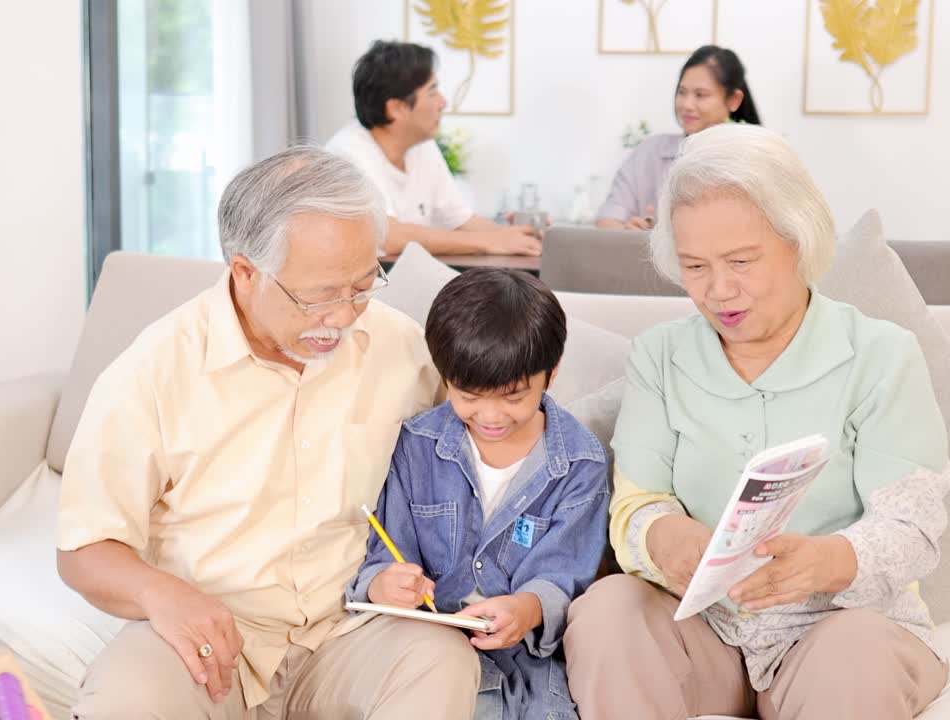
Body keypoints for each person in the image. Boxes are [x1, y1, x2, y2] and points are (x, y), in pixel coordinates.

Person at [56, 146, 481, 719]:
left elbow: (486, 449)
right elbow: (85, 548)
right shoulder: (153, 370)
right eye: (320, 295)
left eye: (362, 285)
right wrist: (163, 595)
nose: (344, 314)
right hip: (215, 636)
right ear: (245, 273)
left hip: (352, 627)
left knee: (441, 660)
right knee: (127, 698)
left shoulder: (400, 347)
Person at [564, 124, 950, 720]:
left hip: (837, 628)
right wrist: (667, 538)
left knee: (854, 655)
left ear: (798, 241)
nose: (719, 290)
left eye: (742, 261)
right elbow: (636, 506)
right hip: (702, 631)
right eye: (695, 267)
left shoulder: (880, 355)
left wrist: (827, 561)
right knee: (608, 609)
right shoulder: (659, 357)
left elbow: (913, 525)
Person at [346, 268, 610, 719]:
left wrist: (526, 609)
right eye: (468, 395)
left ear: (551, 373)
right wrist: (385, 583)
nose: (490, 415)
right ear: (445, 377)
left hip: (526, 664)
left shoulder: (580, 465)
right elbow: (386, 550)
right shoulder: (417, 446)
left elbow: (567, 576)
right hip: (424, 648)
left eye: (512, 397)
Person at [326, 40, 541, 257]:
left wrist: (521, 235)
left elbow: (461, 220)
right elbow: (390, 236)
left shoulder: (422, 146)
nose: (443, 102)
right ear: (396, 108)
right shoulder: (347, 154)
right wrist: (489, 241)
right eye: (432, 92)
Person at [596, 45, 760, 231]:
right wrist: (628, 231)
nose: (687, 104)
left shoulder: (754, 161)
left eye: (701, 95)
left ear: (734, 100)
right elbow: (607, 219)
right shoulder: (649, 152)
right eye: (682, 92)